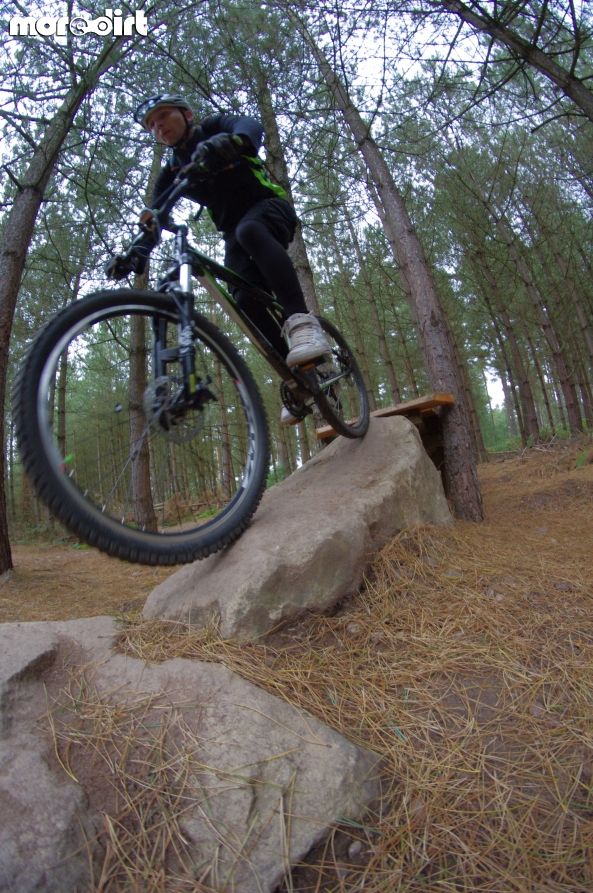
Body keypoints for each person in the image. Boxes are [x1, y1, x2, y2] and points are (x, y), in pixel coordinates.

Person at [107, 93, 329, 425]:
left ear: (187, 114)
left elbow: (250, 127)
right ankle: (299, 378)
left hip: (270, 207)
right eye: (151, 124)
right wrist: (138, 250)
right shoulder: (171, 170)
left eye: (163, 116)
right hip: (234, 233)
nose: (158, 127)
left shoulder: (213, 128)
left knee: (249, 230)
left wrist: (231, 141)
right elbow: (156, 213)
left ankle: (302, 324)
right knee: (244, 300)